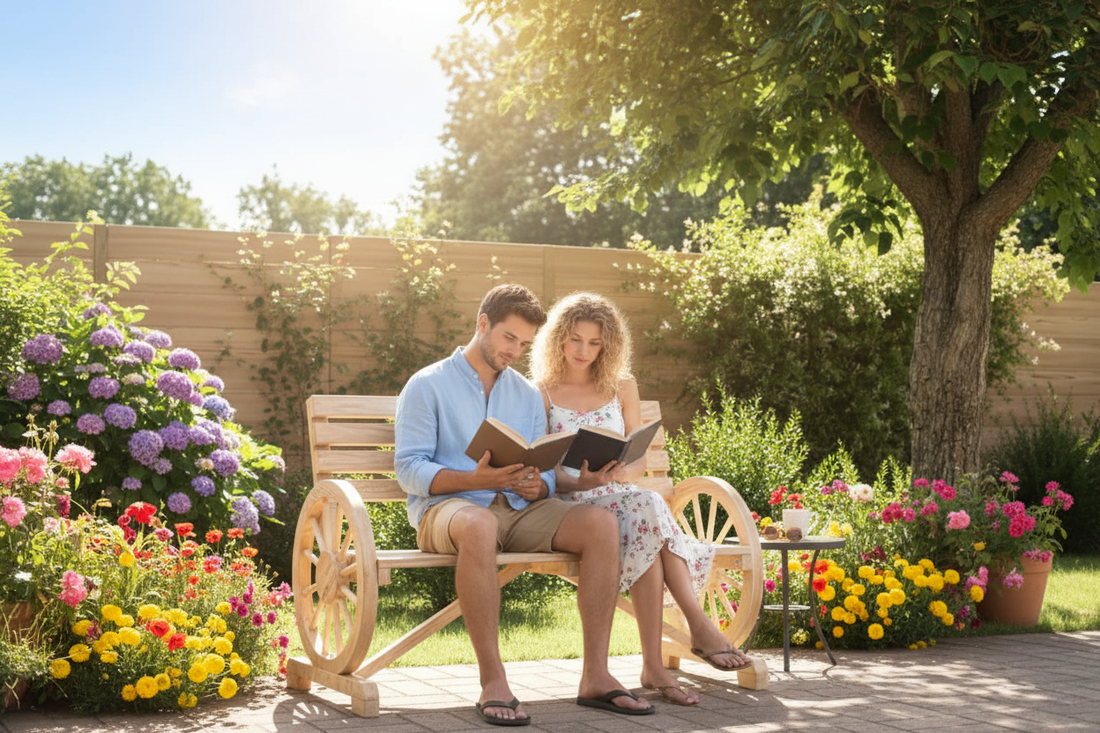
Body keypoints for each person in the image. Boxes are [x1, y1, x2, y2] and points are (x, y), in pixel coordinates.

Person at [394, 283, 654, 726]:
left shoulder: (526, 393)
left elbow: (545, 468)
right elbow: (409, 469)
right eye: (508, 338)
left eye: (524, 343)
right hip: (448, 509)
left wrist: (540, 485)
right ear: (483, 324)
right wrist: (475, 479)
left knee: (600, 524)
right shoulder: (427, 384)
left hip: (518, 507)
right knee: (479, 524)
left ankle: (596, 676)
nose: (514, 351)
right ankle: (493, 681)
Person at [529, 291, 753, 707]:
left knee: (644, 516)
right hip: (574, 506)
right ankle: (694, 628)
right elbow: (542, 467)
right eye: (575, 339)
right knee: (647, 512)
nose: (583, 351)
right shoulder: (540, 391)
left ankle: (654, 666)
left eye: (594, 343)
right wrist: (582, 481)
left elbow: (638, 457)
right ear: (558, 338)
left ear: (607, 345)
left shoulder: (621, 386)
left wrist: (619, 471)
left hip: (622, 496)